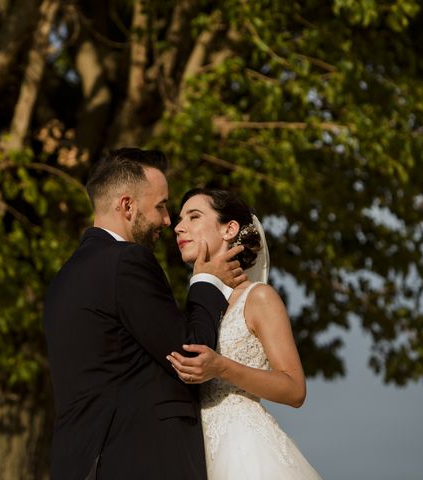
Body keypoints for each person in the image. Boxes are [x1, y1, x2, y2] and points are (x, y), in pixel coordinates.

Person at [43, 149, 245, 480]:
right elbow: (190, 355)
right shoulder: (126, 261)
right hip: (136, 461)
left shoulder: (62, 280)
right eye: (161, 206)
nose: (168, 221)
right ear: (127, 206)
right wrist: (206, 280)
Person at [168, 188, 322, 480]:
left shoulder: (259, 297)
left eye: (194, 216)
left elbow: (295, 389)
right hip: (193, 453)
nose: (178, 227)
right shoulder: (195, 305)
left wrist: (220, 367)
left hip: (244, 452)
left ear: (230, 229)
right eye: (179, 219)